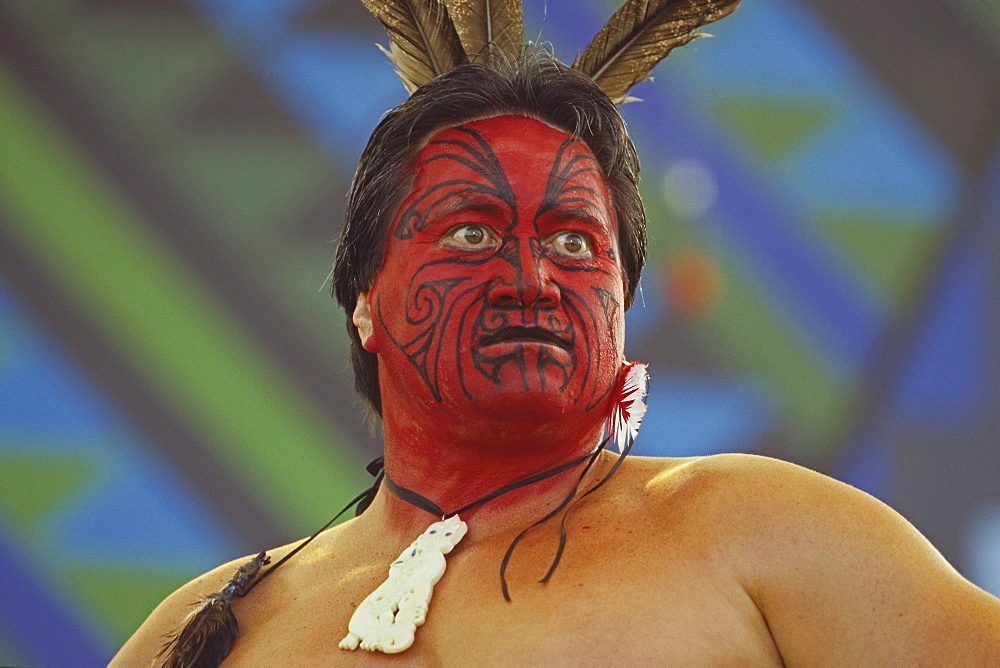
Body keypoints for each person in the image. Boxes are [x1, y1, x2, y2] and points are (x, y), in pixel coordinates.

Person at [115, 3, 1000, 665]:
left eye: (576, 241)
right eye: (471, 232)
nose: (533, 279)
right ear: (363, 300)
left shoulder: (759, 530)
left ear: (623, 301)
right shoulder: (209, 625)